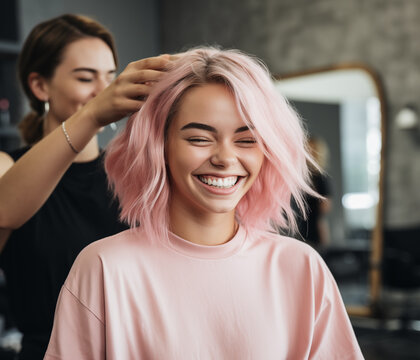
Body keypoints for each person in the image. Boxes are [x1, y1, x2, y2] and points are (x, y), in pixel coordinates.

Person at [45, 47, 364, 359]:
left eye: (247, 140)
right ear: (160, 146)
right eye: (199, 138)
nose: (225, 158)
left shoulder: (301, 268)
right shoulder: (104, 268)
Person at [0, 14, 170, 359]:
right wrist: (91, 115)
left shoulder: (134, 173)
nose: (103, 90)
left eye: (110, 76)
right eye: (86, 77)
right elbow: (1, 211)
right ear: (40, 86)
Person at [295, 136, 333, 251]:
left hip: (315, 226)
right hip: (303, 224)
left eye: (311, 149)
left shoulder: (321, 178)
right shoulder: (304, 176)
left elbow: (326, 206)